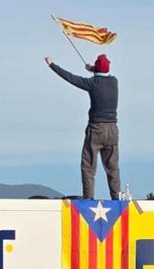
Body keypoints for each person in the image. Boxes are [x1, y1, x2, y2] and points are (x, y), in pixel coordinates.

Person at [44, 53, 120, 200]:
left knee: (88, 166)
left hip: (96, 129)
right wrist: (92, 69)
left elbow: (71, 78)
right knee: (113, 168)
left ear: (96, 69)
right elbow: (101, 74)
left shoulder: (92, 83)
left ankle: (89, 199)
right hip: (112, 130)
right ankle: (117, 199)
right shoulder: (114, 81)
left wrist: (52, 65)